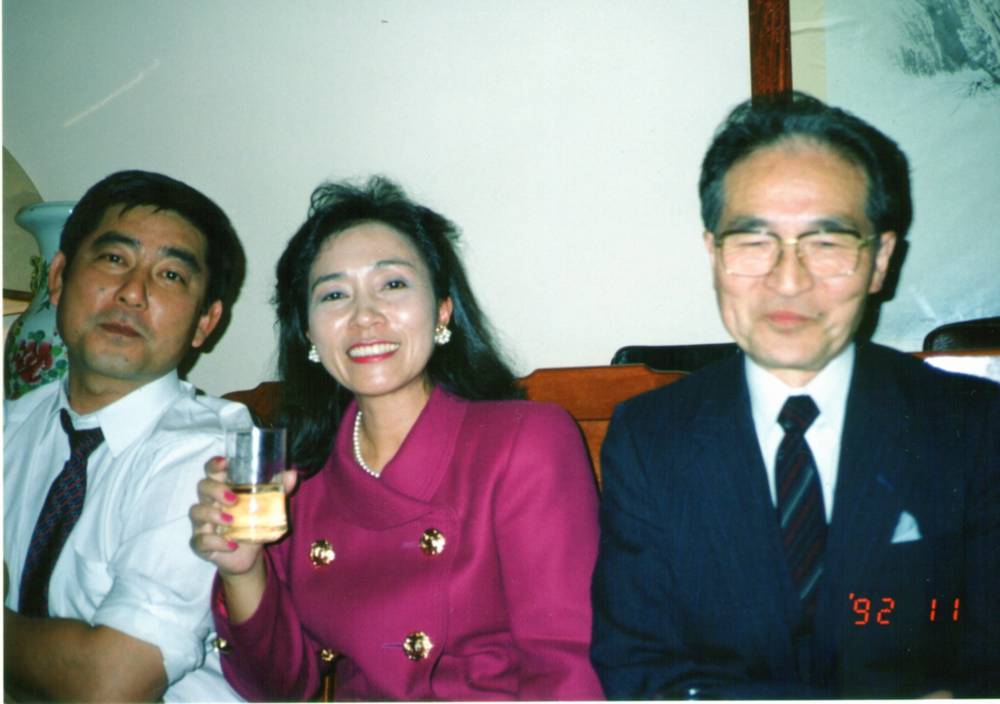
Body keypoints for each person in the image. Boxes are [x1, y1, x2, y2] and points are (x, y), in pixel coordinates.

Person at [591, 92, 1000, 699]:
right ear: (713, 253)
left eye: (827, 243)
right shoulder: (648, 438)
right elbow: (639, 669)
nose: (788, 280)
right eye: (753, 242)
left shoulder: (975, 426)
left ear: (880, 260)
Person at [189, 176, 603, 700]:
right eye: (334, 294)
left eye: (393, 285)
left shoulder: (527, 444)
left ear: (443, 311)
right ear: (309, 333)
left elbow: (566, 670)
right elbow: (281, 690)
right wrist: (243, 570)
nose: (364, 316)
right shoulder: (300, 480)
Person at [4, 170, 250, 701]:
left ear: (205, 323)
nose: (133, 292)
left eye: (171, 275)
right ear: (58, 277)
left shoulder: (212, 455)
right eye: (114, 259)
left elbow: (111, 684)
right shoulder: (13, 427)